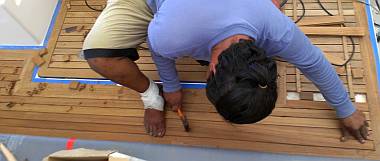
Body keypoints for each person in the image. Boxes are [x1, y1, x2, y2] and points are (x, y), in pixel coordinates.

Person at [82, 0, 368, 143]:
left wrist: (346, 109)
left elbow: (314, 63)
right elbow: (159, 50)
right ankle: (150, 97)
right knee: (98, 56)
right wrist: (170, 86)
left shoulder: (277, 29)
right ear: (212, 69)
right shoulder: (172, 35)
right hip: (158, 6)